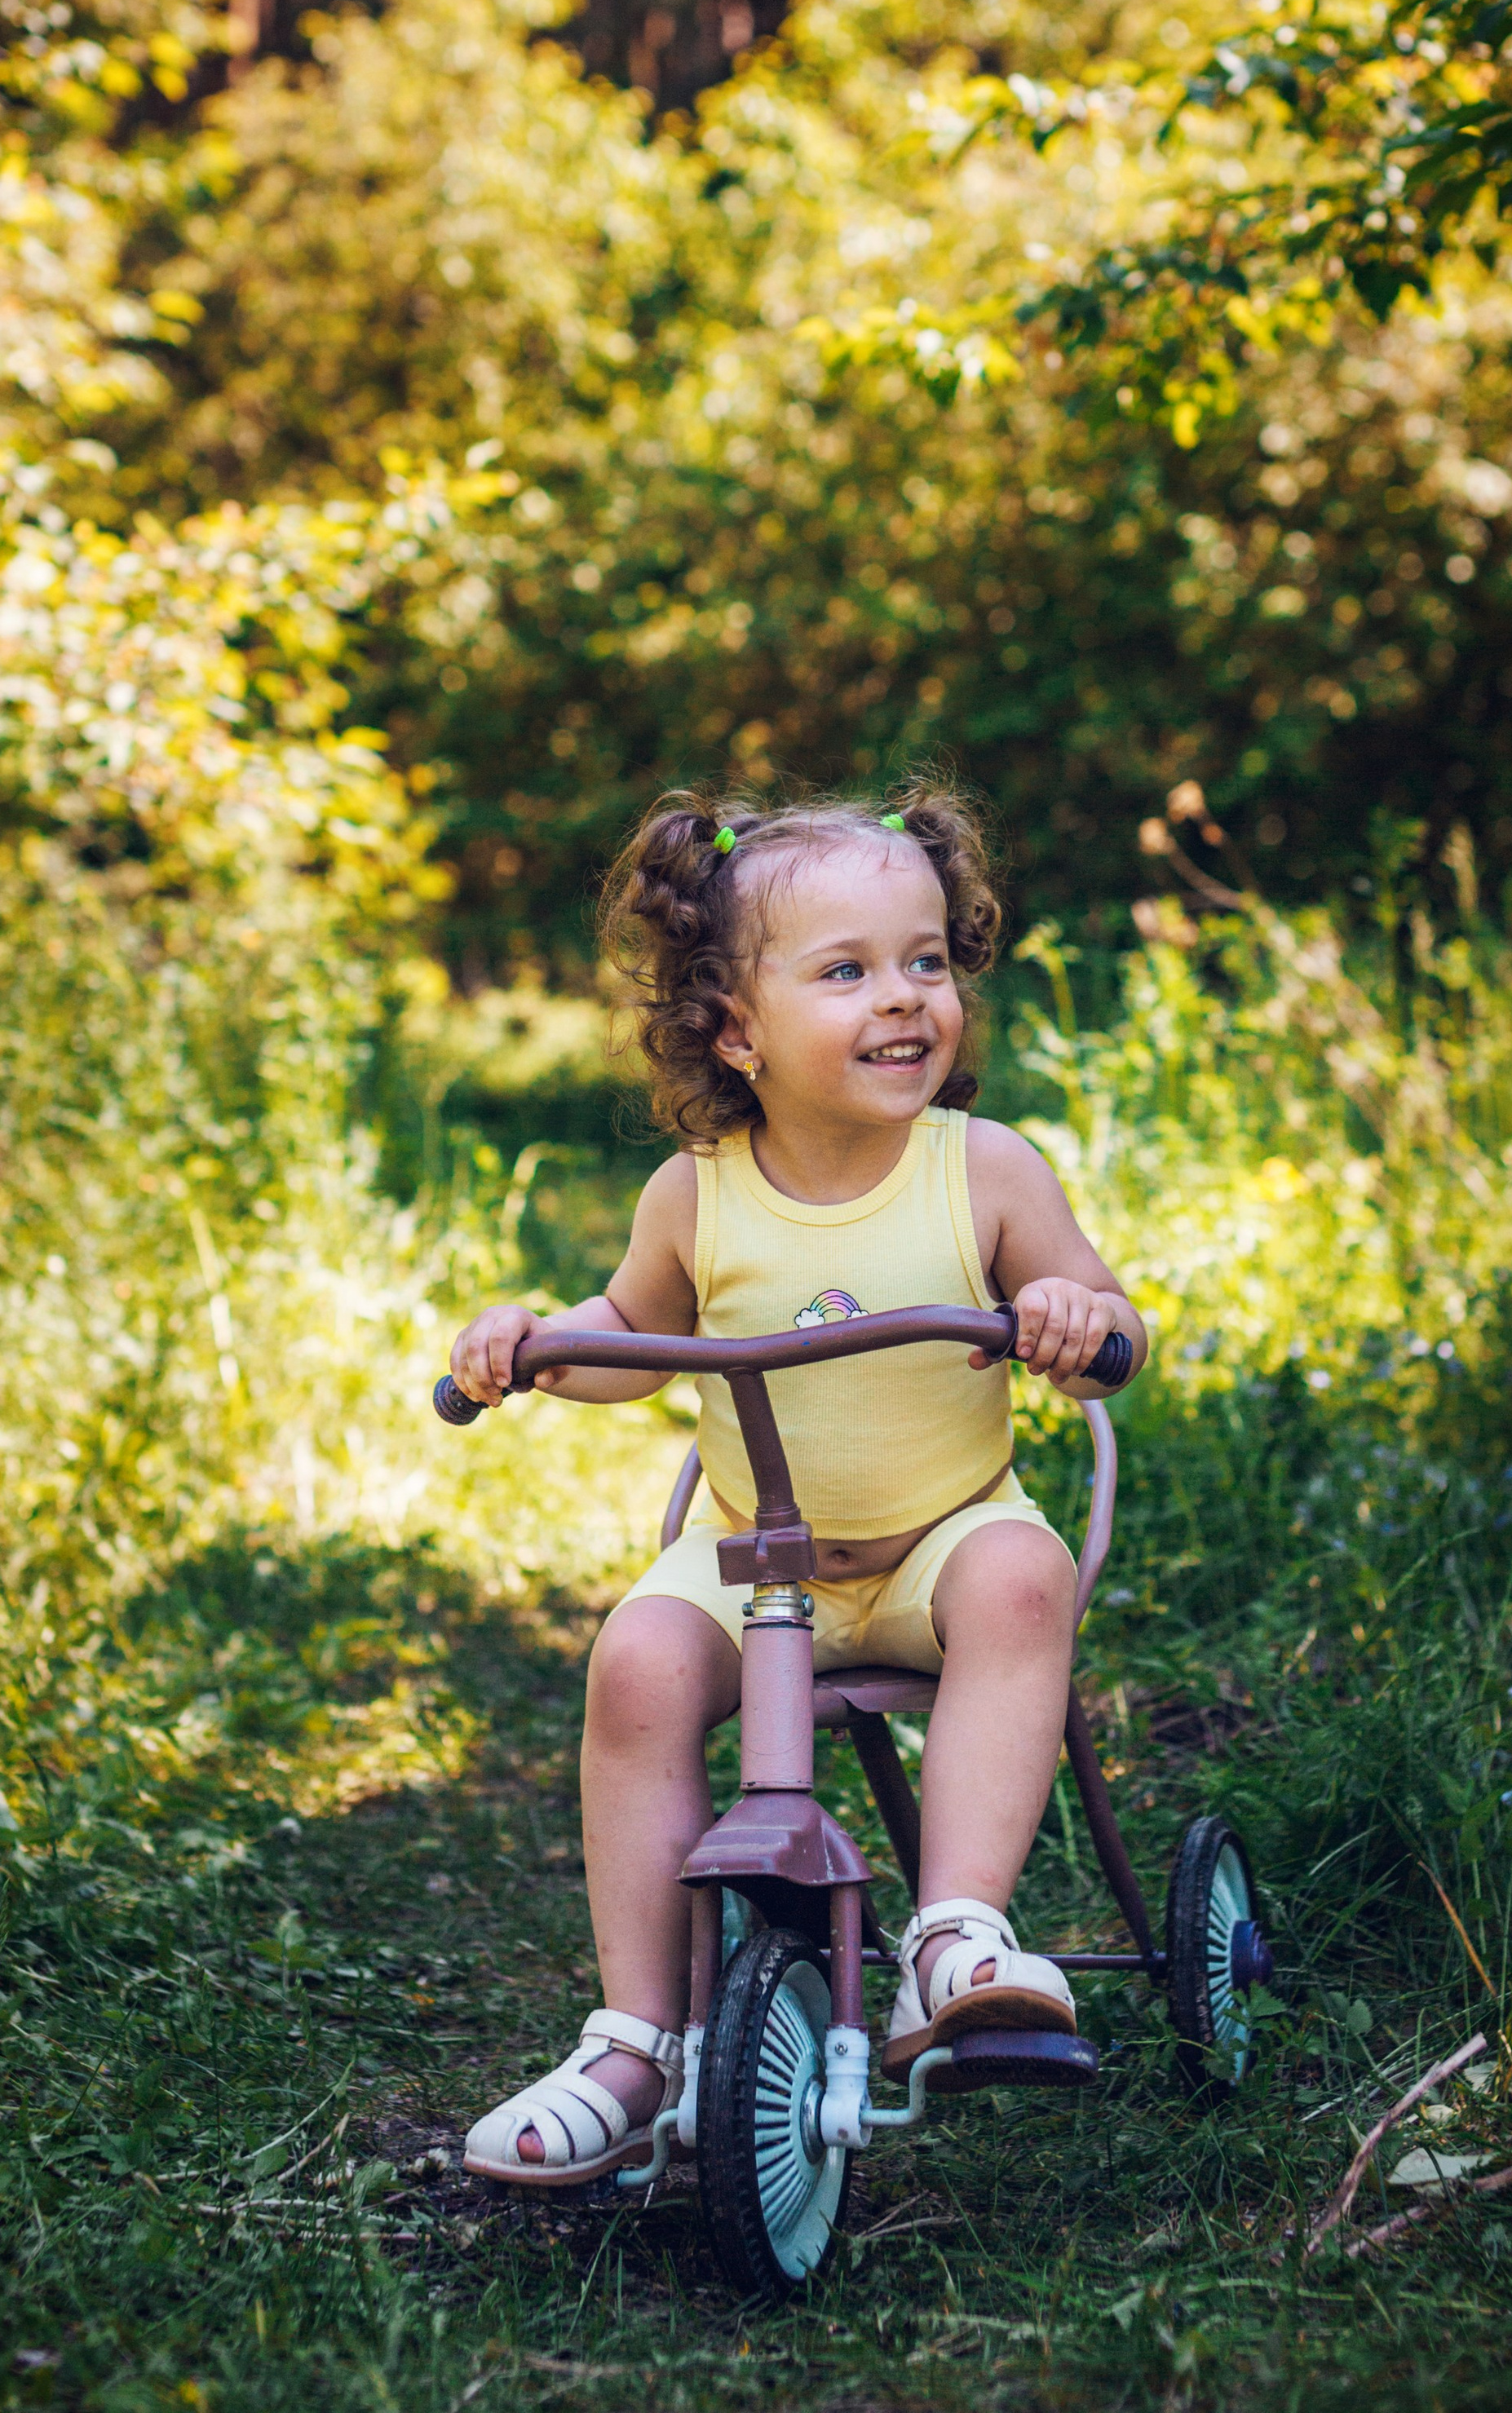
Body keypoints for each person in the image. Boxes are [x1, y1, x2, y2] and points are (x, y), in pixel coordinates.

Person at [448, 786, 1147, 2185]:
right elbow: (627, 1337)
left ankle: (953, 1935)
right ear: (734, 1029)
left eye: (926, 959)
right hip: (754, 1558)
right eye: (846, 971)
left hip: (942, 1540)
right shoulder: (697, 1195)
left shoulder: (984, 1171)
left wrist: (1077, 1317)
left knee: (1024, 1579)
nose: (903, 997)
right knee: (637, 1662)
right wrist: (537, 1346)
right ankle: (638, 2039)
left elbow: (1110, 1320)